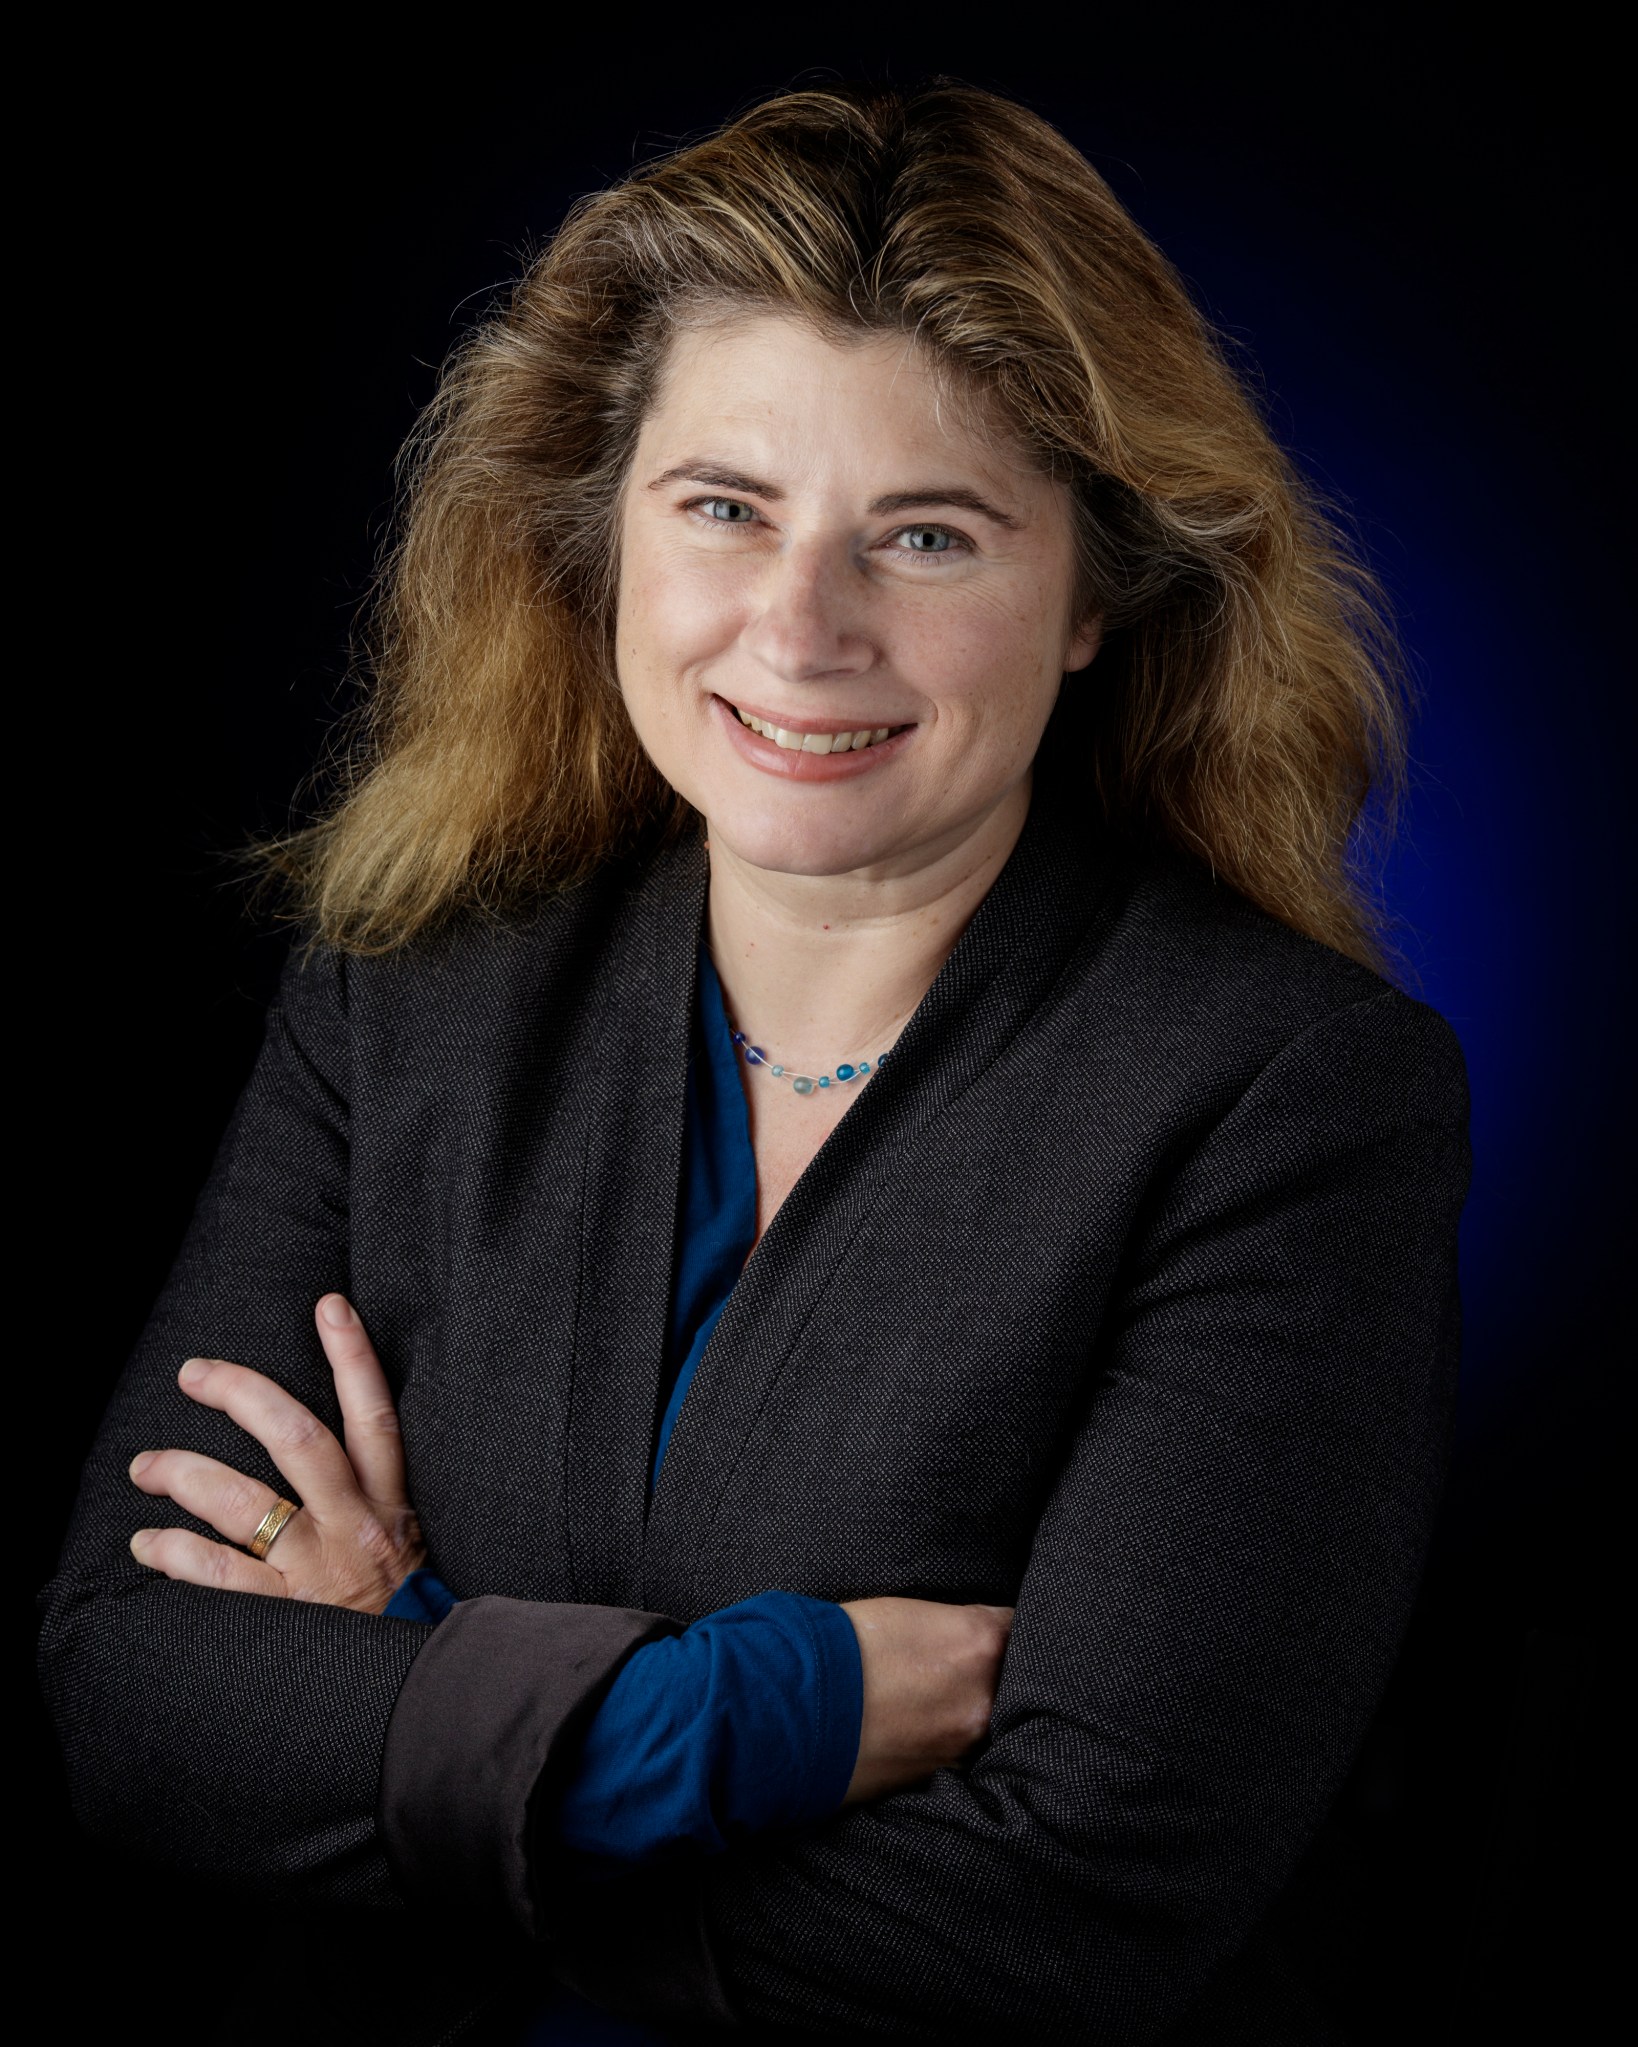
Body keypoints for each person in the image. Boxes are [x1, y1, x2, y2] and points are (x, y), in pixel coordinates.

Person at [37, 79, 1470, 2045]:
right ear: (601, 534)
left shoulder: (1284, 1097)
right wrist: (757, 1710)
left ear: (1094, 598)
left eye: (930, 535)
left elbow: (1073, 1901)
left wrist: (412, 1696)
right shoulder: (413, 990)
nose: (800, 628)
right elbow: (128, 1686)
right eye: (724, 506)